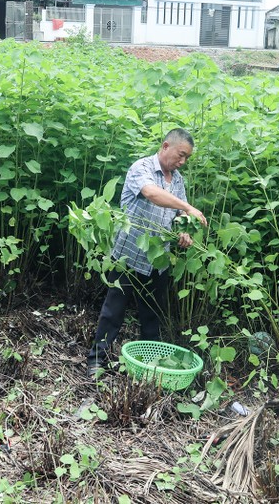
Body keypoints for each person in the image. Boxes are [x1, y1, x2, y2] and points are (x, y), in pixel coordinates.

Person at [86, 128, 207, 377]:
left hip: (158, 259)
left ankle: (150, 368)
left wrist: (184, 230)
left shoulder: (178, 180)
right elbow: (152, 194)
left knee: (152, 315)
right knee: (113, 312)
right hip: (128, 256)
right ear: (165, 146)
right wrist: (187, 206)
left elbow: (179, 215)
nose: (182, 161)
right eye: (181, 155)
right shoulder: (140, 168)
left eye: (187, 158)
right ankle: (96, 361)